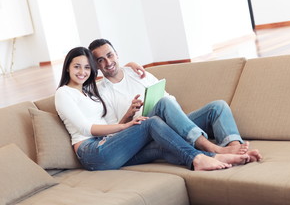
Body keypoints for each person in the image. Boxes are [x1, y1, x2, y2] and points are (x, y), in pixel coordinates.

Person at [55, 46, 251, 172]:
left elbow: (108, 124)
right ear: (67, 68)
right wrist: (127, 124)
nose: (82, 72)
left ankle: (227, 151)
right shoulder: (64, 93)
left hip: (111, 143)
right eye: (77, 67)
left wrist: (129, 66)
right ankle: (203, 156)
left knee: (166, 143)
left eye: (86, 68)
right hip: (92, 152)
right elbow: (86, 128)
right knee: (152, 122)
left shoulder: (89, 92)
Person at [88, 39, 262, 162]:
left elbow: (169, 99)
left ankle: (235, 147)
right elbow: (111, 135)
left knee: (218, 107)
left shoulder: (137, 73)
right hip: (148, 134)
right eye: (100, 60)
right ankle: (211, 148)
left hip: (171, 123)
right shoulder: (101, 93)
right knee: (163, 104)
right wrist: (128, 115)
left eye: (110, 55)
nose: (108, 62)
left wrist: (175, 117)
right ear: (96, 66)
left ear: (117, 55)